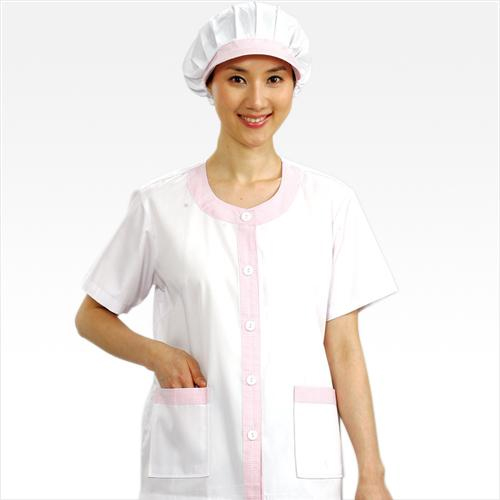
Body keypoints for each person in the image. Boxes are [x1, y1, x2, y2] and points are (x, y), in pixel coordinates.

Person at [75, 1, 398, 499]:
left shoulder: (332, 205)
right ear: (209, 85)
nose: (257, 99)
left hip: (297, 471)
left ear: (294, 85)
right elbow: (92, 315)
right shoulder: (160, 206)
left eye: (275, 79)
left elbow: (345, 348)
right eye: (237, 78)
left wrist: (371, 474)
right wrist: (156, 355)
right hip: (196, 471)